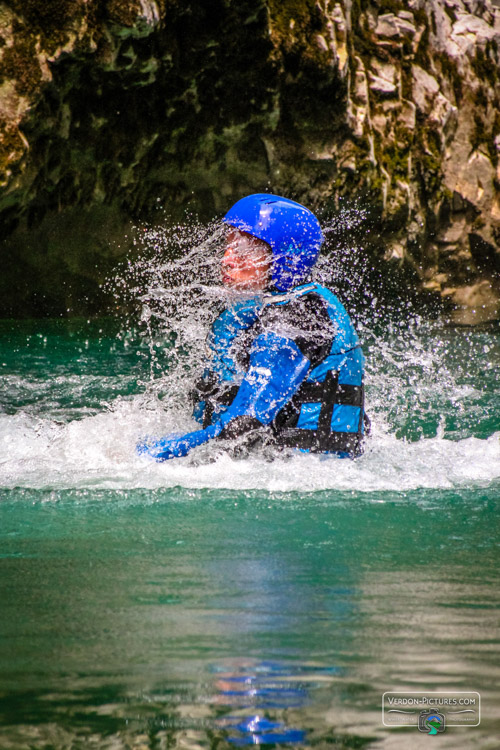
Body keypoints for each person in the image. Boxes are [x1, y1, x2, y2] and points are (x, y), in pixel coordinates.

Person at [137, 193, 368, 461]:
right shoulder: (261, 308)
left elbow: (242, 426)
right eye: (227, 247)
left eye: (243, 251)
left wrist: (147, 456)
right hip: (275, 468)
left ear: (285, 257)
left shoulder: (296, 320)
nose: (227, 260)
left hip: (305, 471)